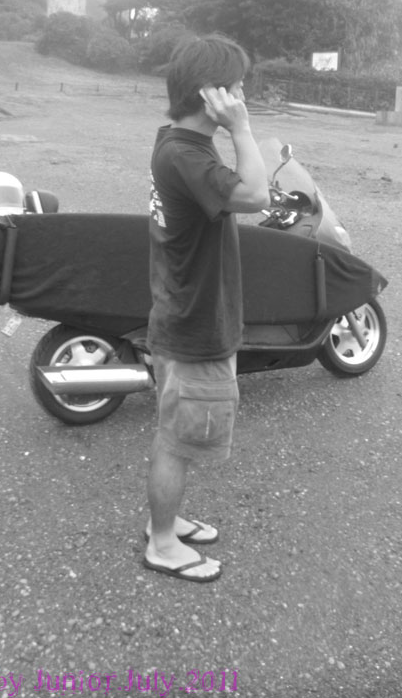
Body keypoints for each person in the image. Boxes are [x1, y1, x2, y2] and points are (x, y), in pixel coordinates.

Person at [144, 34, 270, 582]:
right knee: (178, 440)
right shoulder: (186, 154)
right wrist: (242, 128)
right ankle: (162, 543)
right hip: (194, 322)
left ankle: (165, 521)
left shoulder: (178, 142)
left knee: (177, 430)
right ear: (210, 93)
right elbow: (256, 196)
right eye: (236, 87)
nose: (242, 96)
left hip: (178, 311)